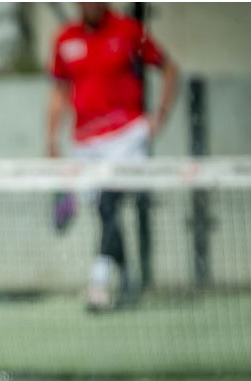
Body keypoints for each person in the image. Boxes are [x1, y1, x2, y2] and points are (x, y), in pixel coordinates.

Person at [46, 2, 178, 311]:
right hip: (85, 143)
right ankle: (128, 277)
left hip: (126, 138)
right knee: (106, 213)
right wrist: (51, 139)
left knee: (109, 204)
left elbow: (169, 69)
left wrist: (159, 116)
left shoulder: (129, 31)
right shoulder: (65, 38)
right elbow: (59, 92)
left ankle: (98, 283)